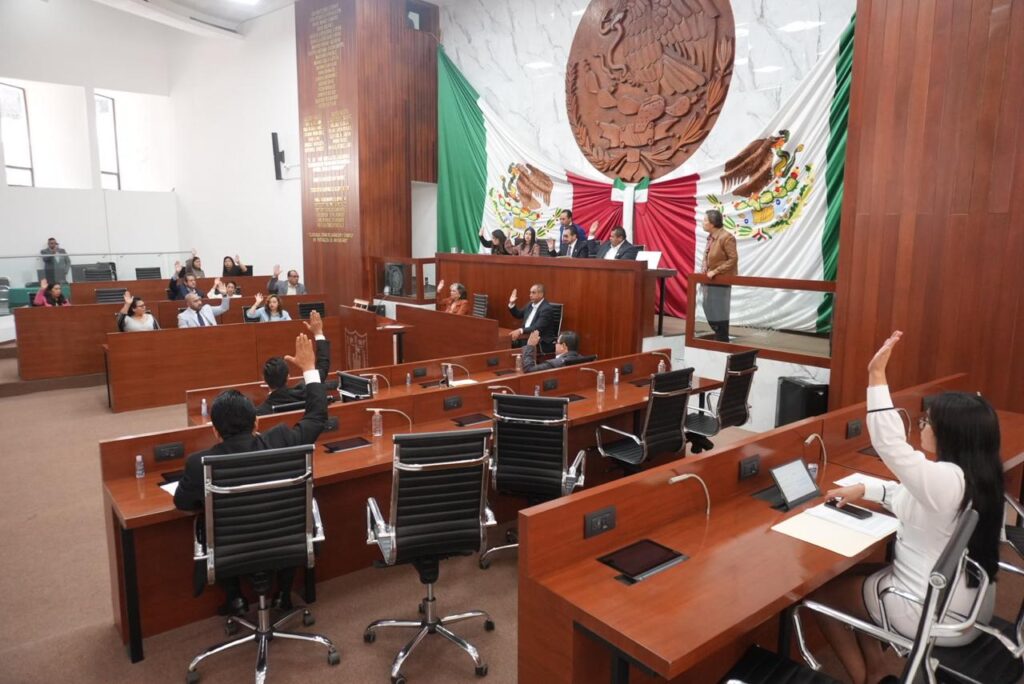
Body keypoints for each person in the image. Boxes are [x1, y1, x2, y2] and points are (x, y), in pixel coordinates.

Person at [812, 331, 1003, 684]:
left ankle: (863, 679)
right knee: (855, 577)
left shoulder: (945, 480)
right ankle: (876, 671)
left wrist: (876, 374)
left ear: (951, 435)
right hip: (970, 607)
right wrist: (865, 488)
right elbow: (915, 496)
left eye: (927, 422)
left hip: (932, 614)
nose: (922, 426)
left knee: (823, 593)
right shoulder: (980, 475)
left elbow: (890, 444)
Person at [174, 331, 328, 614]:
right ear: (256, 422)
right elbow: (317, 416)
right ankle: (283, 595)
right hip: (285, 540)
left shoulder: (200, 464)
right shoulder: (283, 439)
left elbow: (183, 502)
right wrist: (309, 368)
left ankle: (235, 597)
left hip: (232, 551)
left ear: (215, 431)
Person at [255, 311, 331, 416]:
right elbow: (322, 367)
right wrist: (318, 333)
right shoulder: (306, 391)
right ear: (288, 377)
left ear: (265, 380)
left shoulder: (260, 413)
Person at [700, 209, 737, 341]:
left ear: (713, 223)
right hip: (709, 280)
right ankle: (719, 334)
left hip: (720, 280)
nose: (702, 223)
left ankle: (722, 338)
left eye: (705, 220)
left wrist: (715, 271)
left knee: (719, 310)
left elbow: (733, 259)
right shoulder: (711, 237)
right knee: (707, 307)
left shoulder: (727, 237)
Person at [508, 283, 558, 353]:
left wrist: (520, 330)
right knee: (507, 344)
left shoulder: (546, 309)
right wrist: (512, 303)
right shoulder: (530, 304)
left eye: (533, 293)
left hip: (541, 342)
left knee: (511, 346)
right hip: (526, 337)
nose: (530, 295)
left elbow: (537, 327)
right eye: (530, 292)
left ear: (541, 294)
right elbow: (518, 314)